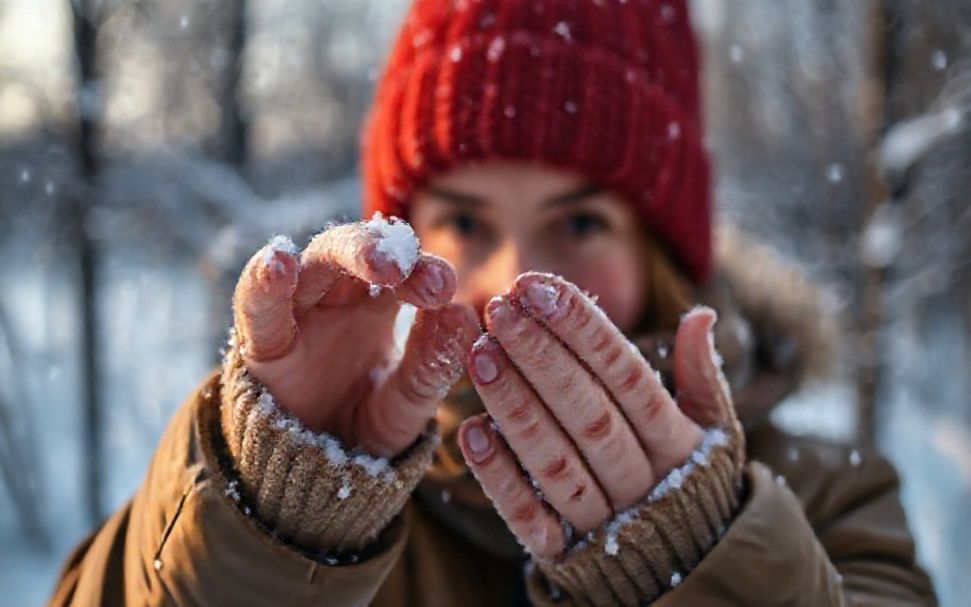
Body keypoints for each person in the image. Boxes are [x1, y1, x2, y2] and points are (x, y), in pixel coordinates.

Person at [49, 1, 937, 605]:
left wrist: (697, 564)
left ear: (660, 250)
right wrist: (271, 512)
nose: (515, 274)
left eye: (580, 218)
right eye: (465, 221)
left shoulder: (825, 498)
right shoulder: (337, 500)